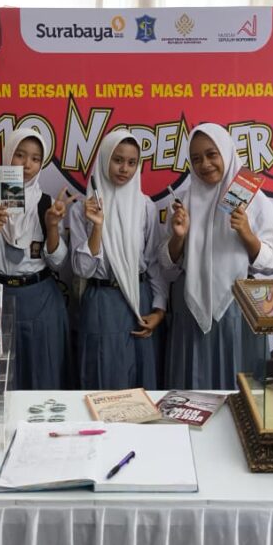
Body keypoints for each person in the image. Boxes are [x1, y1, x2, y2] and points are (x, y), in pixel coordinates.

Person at [160, 123, 273, 389]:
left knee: (240, 390)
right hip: (190, 304)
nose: (205, 164)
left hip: (238, 307)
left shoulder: (254, 200)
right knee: (192, 388)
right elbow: (167, 267)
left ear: (226, 152)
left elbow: (272, 263)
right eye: (196, 158)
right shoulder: (182, 202)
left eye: (212, 154)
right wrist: (178, 237)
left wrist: (246, 233)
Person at [0, 127, 74, 389]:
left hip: (41, 299)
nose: (27, 165)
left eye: (35, 158)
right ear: (8, 155)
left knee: (42, 375)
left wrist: (52, 226)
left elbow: (58, 263)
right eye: (20, 155)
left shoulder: (47, 204)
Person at [68, 129, 167, 390]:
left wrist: (159, 310)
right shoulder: (81, 209)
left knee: (141, 384)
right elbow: (83, 269)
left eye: (132, 162)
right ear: (104, 159)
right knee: (103, 381)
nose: (124, 169)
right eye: (117, 160)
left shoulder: (145, 206)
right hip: (102, 302)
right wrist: (97, 226)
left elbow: (154, 262)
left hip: (139, 300)